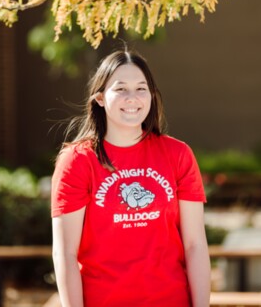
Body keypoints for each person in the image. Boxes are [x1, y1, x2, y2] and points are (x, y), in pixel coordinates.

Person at [51, 50, 211, 307]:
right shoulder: (77, 160)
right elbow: (65, 253)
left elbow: (195, 245)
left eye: (141, 88)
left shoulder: (178, 154)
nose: (132, 98)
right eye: (121, 89)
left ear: (151, 96)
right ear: (100, 98)